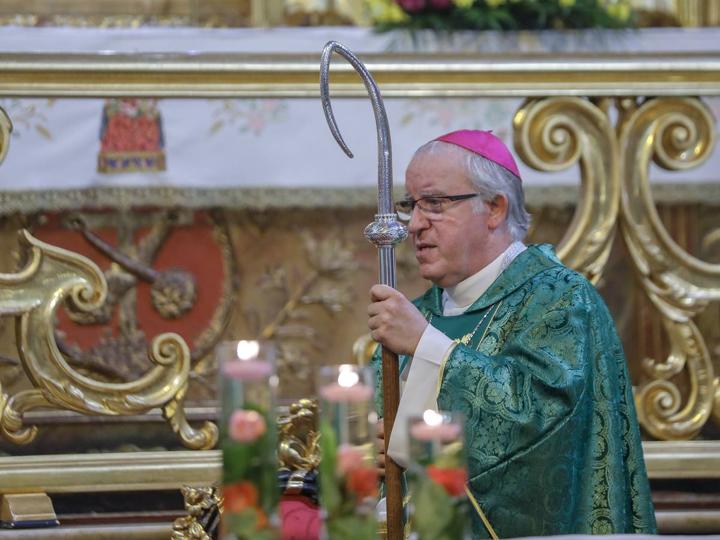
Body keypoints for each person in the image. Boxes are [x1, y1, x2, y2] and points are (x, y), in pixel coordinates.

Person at [368, 130, 656, 538]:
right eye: (410, 205)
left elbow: (540, 425)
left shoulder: (561, 300)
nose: (413, 224)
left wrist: (425, 345)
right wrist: (370, 451)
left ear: (494, 208)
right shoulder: (418, 313)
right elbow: (375, 437)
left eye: (434, 204)